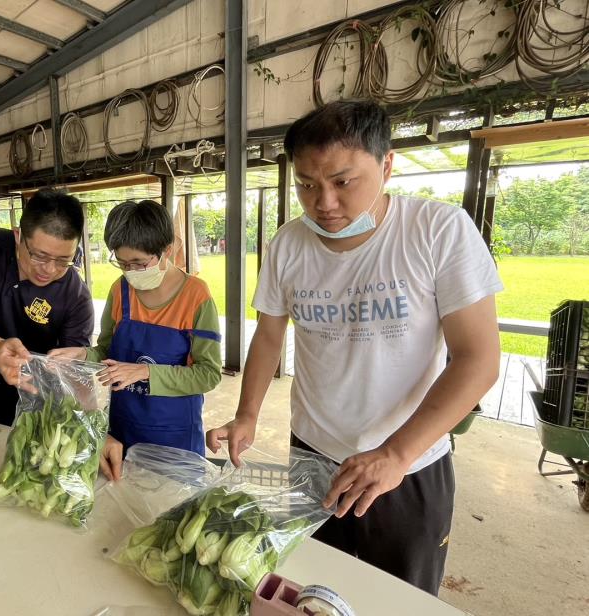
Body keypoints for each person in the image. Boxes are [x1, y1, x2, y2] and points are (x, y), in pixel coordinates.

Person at [206, 101, 502, 595]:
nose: (323, 202)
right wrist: (247, 413)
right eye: (306, 184)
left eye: (343, 181)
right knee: (313, 590)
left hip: (409, 464)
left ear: (386, 165)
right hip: (314, 457)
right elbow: (270, 334)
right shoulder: (287, 246)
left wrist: (395, 453)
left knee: (399, 598)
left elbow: (479, 359)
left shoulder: (438, 230)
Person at [51, 200, 221, 481]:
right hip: (123, 431)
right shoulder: (120, 291)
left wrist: (144, 372)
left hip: (175, 438)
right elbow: (106, 351)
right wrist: (82, 356)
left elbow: (208, 374)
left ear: (167, 250)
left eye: (140, 263)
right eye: (123, 263)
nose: (131, 272)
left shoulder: (196, 296)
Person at [0, 190, 94, 426]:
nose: (49, 269)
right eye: (39, 256)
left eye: (63, 261)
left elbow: (74, 368)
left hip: (43, 402)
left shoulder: (76, 296)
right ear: (18, 236)